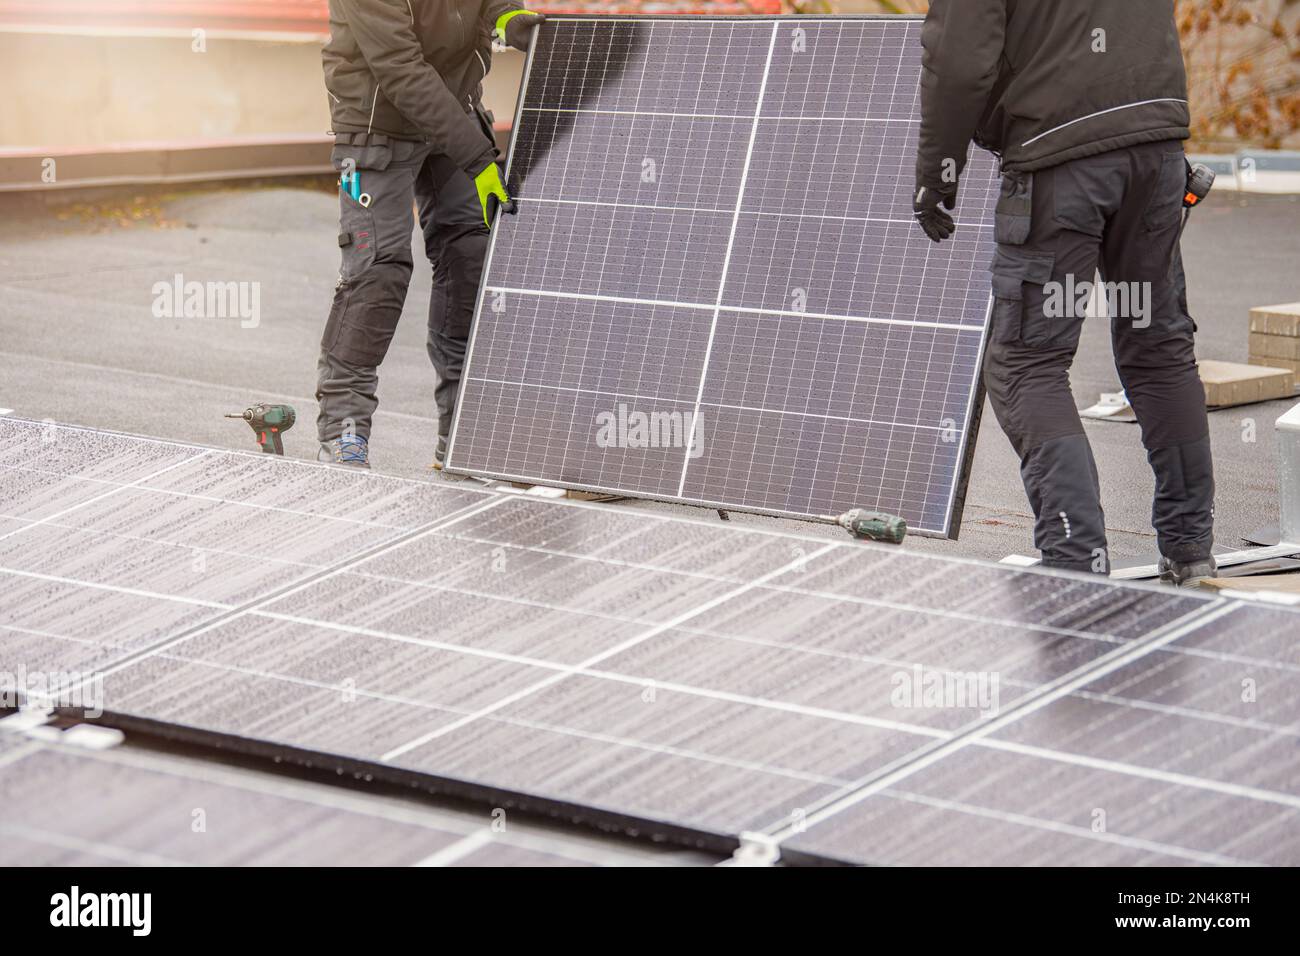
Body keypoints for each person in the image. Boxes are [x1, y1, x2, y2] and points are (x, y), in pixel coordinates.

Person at [912, 0, 1216, 586]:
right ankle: (1191, 551)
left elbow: (957, 60)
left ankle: (1077, 567)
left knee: (1026, 365)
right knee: (1158, 348)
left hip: (1061, 157)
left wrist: (939, 172)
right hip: (1155, 143)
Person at [315, 0, 544, 470]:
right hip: (376, 120)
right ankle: (344, 429)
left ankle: (461, 433)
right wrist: (478, 159)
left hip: (454, 111)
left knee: (470, 256)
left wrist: (510, 22)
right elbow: (400, 68)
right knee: (379, 269)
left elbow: (496, 5)